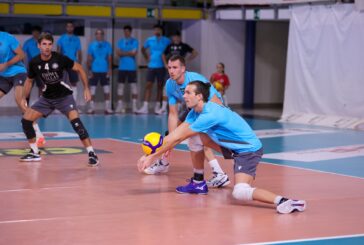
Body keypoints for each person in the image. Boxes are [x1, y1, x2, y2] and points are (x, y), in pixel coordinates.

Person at [138, 81, 307, 214]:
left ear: (199, 96)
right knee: (196, 138)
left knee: (240, 191)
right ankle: (198, 182)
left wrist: (153, 157)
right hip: (230, 145)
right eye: (184, 92)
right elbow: (175, 135)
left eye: (189, 92)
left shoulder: (210, 114)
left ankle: (285, 201)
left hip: (248, 151)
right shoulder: (194, 112)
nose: (185, 95)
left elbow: (180, 136)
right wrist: (154, 154)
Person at [143, 55, 230, 189]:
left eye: (175, 67)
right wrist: (171, 140)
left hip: (211, 107)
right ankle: (163, 163)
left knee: (200, 137)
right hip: (192, 108)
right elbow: (173, 114)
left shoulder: (195, 81)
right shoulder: (170, 84)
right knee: (170, 134)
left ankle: (219, 174)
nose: (171, 71)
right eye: (169, 67)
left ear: (183, 69)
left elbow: (213, 101)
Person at [19, 32, 99, 166]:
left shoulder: (60, 59)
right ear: (39, 46)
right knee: (26, 121)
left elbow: (79, 68)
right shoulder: (34, 62)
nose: (47, 47)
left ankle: (92, 153)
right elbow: (29, 81)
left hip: (64, 97)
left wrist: (86, 88)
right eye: (44, 44)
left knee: (76, 124)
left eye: (49, 44)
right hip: (46, 98)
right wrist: (23, 98)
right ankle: (34, 152)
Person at [0, 31, 45, 147]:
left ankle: (38, 132)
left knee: (19, 100)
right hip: (4, 76)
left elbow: (21, 54)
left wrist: (6, 64)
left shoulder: (7, 38)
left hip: (18, 72)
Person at [135, 24, 171, 115]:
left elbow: (169, 52)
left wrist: (167, 62)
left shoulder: (167, 41)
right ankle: (145, 107)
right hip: (151, 66)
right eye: (155, 30)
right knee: (148, 85)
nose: (156, 31)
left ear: (161, 31)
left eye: (158, 30)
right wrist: (147, 58)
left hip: (161, 67)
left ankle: (157, 106)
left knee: (160, 86)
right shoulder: (149, 40)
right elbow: (143, 49)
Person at [86, 28, 113, 114]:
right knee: (92, 90)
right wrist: (89, 70)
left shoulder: (107, 45)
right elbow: (89, 58)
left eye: (100, 34)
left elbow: (109, 58)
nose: (99, 35)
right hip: (94, 70)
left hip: (104, 70)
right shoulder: (92, 45)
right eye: (97, 34)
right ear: (95, 35)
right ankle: (91, 108)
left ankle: (107, 108)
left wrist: (110, 69)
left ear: (103, 35)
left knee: (107, 90)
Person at [57, 21, 82, 106]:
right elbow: (58, 52)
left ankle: (73, 105)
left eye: (71, 26)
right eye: (68, 26)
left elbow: (79, 53)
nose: (69, 28)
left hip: (73, 64)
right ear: (66, 28)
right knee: (63, 83)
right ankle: (61, 106)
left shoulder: (77, 39)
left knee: (74, 83)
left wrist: (79, 66)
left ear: (73, 28)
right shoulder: (61, 38)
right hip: (64, 64)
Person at [115, 25, 139, 113]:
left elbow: (134, 53)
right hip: (122, 67)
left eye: (128, 31)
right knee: (120, 86)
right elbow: (118, 53)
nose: (126, 33)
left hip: (131, 67)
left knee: (134, 87)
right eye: (125, 31)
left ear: (130, 32)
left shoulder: (134, 41)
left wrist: (123, 52)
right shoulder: (120, 41)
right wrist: (128, 52)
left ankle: (134, 106)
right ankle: (119, 105)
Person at [23, 26, 43, 97]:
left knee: (42, 87)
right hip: (31, 68)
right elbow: (22, 55)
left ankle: (40, 106)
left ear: (40, 33)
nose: (35, 34)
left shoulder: (43, 43)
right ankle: (25, 105)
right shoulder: (28, 42)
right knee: (28, 87)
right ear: (32, 33)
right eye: (34, 32)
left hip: (41, 68)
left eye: (37, 33)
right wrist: (22, 66)